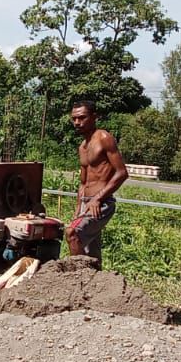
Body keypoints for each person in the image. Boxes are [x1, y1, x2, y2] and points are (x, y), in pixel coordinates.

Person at [67, 100, 128, 261]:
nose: (77, 122)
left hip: (101, 203)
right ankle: (96, 282)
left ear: (94, 117)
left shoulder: (103, 138)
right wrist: (78, 208)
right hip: (86, 204)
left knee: (72, 233)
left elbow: (122, 173)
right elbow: (83, 183)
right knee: (90, 251)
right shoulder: (82, 147)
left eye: (82, 118)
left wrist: (97, 198)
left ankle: (77, 278)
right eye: (74, 119)